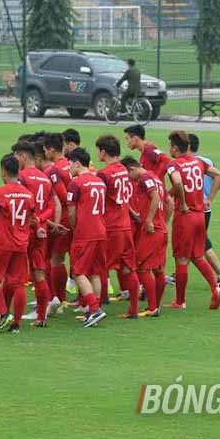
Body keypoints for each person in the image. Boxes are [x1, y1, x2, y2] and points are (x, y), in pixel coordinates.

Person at [164, 130, 220, 310]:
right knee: (197, 256)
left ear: (175, 148)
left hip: (186, 217)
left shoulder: (174, 164)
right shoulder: (198, 162)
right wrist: (209, 200)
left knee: (181, 259)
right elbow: (219, 175)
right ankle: (215, 288)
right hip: (200, 215)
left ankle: (180, 301)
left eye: (170, 146)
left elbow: (177, 182)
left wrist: (181, 203)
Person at [0, 154, 35, 334]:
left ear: (3, 172)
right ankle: (16, 324)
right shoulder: (28, 194)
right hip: (21, 243)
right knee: (18, 283)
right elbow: (31, 218)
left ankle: (5, 314)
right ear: (18, 172)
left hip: (2, 242)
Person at [12, 142, 61, 327]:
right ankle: (41, 317)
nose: (15, 160)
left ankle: (10, 316)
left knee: (17, 274)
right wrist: (42, 221)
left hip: (24, 230)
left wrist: (34, 220)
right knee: (39, 273)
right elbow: (51, 205)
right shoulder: (45, 177)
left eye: (16, 156)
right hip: (41, 232)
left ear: (24, 156)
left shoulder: (22, 177)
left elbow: (22, 203)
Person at [95, 135, 140, 318]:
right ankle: (133, 310)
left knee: (100, 267)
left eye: (98, 150)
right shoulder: (123, 169)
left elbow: (99, 200)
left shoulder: (104, 174)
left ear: (103, 152)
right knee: (129, 267)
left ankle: (96, 308)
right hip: (125, 226)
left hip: (111, 226)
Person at [122, 156, 172, 317]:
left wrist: (149, 220)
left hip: (152, 230)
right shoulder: (155, 177)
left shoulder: (145, 178)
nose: (128, 179)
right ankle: (155, 305)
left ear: (132, 169)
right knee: (158, 270)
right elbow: (167, 201)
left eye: (127, 174)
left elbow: (156, 197)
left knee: (142, 268)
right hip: (161, 229)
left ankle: (152, 307)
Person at [66, 148, 108, 328]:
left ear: (76, 163)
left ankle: (94, 309)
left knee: (78, 272)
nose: (68, 166)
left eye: (70, 163)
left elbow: (72, 211)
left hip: (85, 232)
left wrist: (75, 229)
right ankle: (94, 310)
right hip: (100, 230)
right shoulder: (99, 181)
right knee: (94, 272)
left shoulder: (76, 183)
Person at [188, 133, 220, 290]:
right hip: (205, 209)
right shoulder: (207, 161)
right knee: (194, 243)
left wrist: (206, 199)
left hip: (197, 208)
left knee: (202, 244)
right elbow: (219, 183)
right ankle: (178, 273)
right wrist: (210, 198)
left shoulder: (192, 163)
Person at [43, 132, 73, 313]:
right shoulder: (69, 164)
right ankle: (59, 299)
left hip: (62, 220)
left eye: (46, 150)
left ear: (51, 150)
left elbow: (64, 197)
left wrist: (55, 221)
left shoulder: (54, 170)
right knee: (61, 259)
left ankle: (56, 298)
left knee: (54, 259)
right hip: (72, 219)